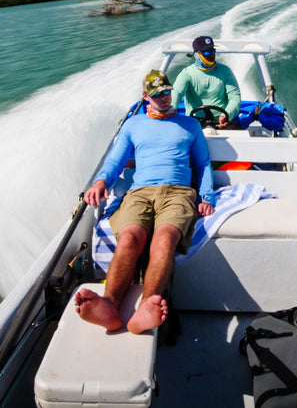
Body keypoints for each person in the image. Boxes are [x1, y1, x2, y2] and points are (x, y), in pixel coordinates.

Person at [75, 69, 215, 334]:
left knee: (164, 238)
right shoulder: (133, 125)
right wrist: (101, 181)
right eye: (157, 94)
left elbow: (203, 164)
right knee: (130, 238)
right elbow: (115, 161)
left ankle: (147, 306)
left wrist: (207, 196)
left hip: (178, 193)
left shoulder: (190, 125)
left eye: (166, 92)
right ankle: (109, 305)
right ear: (145, 97)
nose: (163, 97)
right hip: (139, 193)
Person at [172, 36, 242, 129]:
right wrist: (171, 113)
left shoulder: (225, 71)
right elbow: (176, 94)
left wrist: (227, 115)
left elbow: (234, 96)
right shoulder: (187, 74)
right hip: (196, 123)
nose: (210, 55)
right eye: (206, 52)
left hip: (224, 121)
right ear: (196, 54)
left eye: (212, 51)